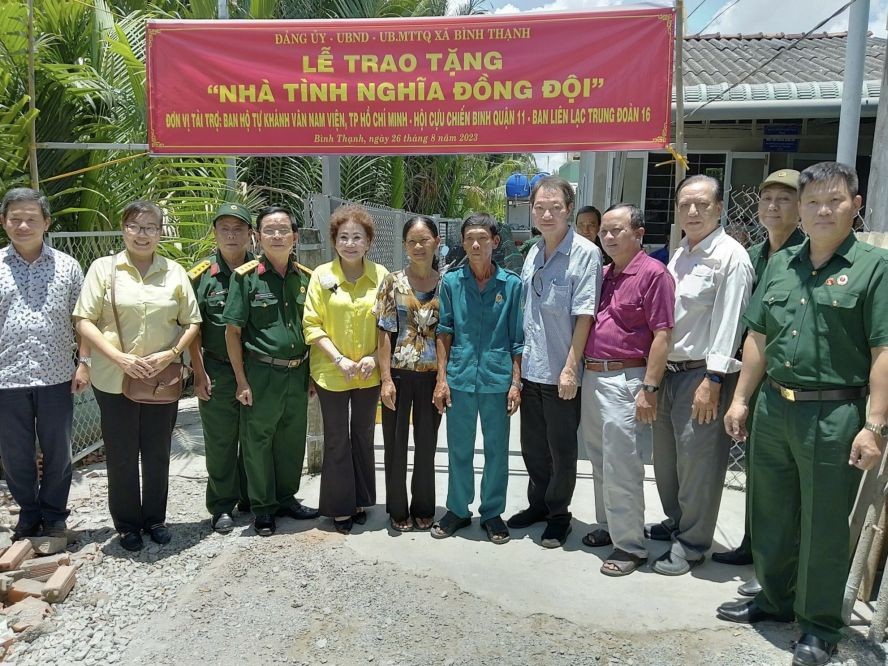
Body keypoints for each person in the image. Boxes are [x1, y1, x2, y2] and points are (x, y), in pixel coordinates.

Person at [717, 162, 888, 666]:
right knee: (769, 511)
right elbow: (758, 336)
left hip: (833, 414)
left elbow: (883, 350)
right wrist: (743, 398)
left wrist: (875, 425)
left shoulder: (874, 269)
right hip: (774, 405)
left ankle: (818, 626)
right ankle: (773, 599)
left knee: (823, 525)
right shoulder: (782, 263)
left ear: (855, 207)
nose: (821, 211)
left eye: (833, 201)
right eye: (812, 202)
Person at [74, 200, 201, 552]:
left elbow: (192, 322)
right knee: (122, 453)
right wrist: (118, 358)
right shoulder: (103, 269)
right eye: (134, 226)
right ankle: (128, 525)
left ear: (160, 233)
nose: (141, 234)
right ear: (123, 229)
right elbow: (84, 319)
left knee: (158, 451)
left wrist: (171, 355)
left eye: (149, 227)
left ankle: (155, 519)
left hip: (162, 379)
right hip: (114, 379)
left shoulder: (174, 272)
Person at [648, 174, 754, 576]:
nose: (692, 211)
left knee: (699, 465)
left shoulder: (730, 257)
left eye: (702, 204)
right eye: (685, 204)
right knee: (667, 461)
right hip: (668, 372)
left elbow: (730, 324)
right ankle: (677, 522)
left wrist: (713, 381)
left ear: (719, 208)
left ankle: (693, 544)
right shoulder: (680, 255)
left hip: (701, 377)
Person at [711, 170, 805, 598]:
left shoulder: (808, 255)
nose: (772, 206)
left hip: (793, 386)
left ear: (801, 207)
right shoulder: (751, 255)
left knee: (789, 485)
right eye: (766, 198)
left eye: (784, 199)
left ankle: (783, 568)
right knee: (756, 472)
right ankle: (753, 546)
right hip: (751, 381)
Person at [579, 204, 674, 576]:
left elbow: (663, 334)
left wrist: (649, 387)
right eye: (604, 231)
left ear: (638, 233)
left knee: (623, 465)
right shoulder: (604, 274)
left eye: (618, 230)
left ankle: (630, 545)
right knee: (600, 458)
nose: (609, 237)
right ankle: (608, 527)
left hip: (627, 379)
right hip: (594, 376)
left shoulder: (654, 274)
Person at [507, 176, 600, 549]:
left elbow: (585, 316)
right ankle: (539, 505)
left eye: (555, 207)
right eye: (540, 207)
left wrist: (570, 367)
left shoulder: (585, 254)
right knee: (532, 446)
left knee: (562, 449)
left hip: (562, 371)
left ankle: (559, 516)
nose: (547, 214)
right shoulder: (533, 252)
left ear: (568, 209)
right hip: (532, 369)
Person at [222, 206, 319, 537]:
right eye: (269, 230)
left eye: (283, 230)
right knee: (259, 441)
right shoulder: (246, 278)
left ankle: (286, 497)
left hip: (298, 372)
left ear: (294, 236)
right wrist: (240, 381)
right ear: (258, 237)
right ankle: (263, 508)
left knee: (291, 439)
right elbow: (232, 332)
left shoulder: (307, 278)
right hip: (261, 374)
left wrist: (312, 376)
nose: (277, 236)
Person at [0, 188, 89, 541]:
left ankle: (54, 515)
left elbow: (82, 320)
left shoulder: (67, 266)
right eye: (15, 218)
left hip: (56, 376)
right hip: (6, 379)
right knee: (14, 454)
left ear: (46, 223)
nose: (23, 225)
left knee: (59, 451)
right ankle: (28, 513)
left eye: (31, 219)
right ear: (4, 222)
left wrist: (83, 363)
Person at [431, 213, 524, 545]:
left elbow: (518, 339)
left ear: (495, 242)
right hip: (460, 376)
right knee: (458, 448)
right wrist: (441, 379)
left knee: (497, 449)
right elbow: (444, 332)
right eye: (470, 237)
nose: (475, 244)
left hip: (497, 380)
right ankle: (457, 509)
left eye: (482, 238)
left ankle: (492, 513)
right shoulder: (452, 282)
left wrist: (516, 383)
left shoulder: (511, 285)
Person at [303, 204, 388, 534]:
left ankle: (361, 499)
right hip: (331, 371)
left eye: (357, 237)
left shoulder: (381, 276)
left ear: (368, 242)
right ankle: (339, 508)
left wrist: (371, 358)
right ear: (334, 241)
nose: (350, 243)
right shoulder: (321, 277)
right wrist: (339, 359)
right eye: (343, 237)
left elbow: (388, 322)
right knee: (337, 438)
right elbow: (311, 325)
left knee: (363, 436)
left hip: (368, 372)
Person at [188, 203, 256, 534]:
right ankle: (221, 505)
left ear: (249, 234)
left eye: (238, 229)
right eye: (224, 229)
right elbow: (192, 331)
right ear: (214, 233)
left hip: (257, 369)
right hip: (216, 368)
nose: (231, 235)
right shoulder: (200, 277)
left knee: (254, 436)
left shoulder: (261, 271)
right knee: (220, 441)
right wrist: (198, 374)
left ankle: (252, 497)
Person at [375, 216, 441, 532]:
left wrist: (443, 379)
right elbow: (385, 332)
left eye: (424, 239)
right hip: (399, 376)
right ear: (404, 246)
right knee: (395, 444)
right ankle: (398, 509)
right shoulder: (392, 282)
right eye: (412, 241)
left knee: (427, 446)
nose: (418, 246)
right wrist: (385, 379)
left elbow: (447, 335)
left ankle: (424, 507)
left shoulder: (447, 283)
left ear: (436, 242)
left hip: (430, 378)